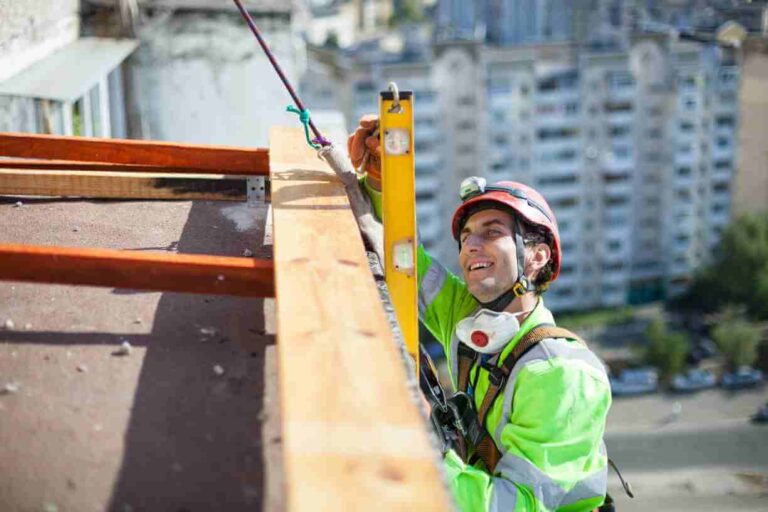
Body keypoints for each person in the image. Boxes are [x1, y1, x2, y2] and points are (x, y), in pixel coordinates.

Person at [349, 116, 613, 512]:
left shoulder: (561, 373)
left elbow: (516, 506)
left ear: (537, 256)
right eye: (466, 236)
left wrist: (423, 450)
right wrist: (380, 178)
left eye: (491, 232)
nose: (471, 245)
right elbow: (405, 262)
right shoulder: (471, 321)